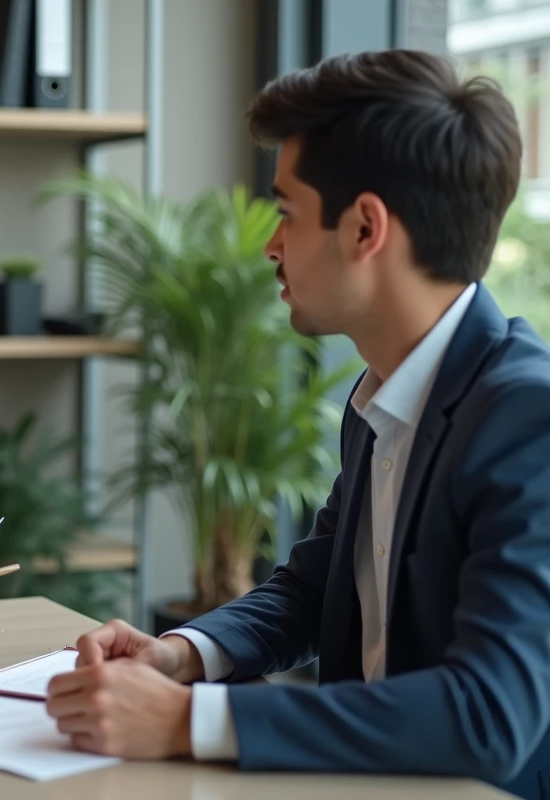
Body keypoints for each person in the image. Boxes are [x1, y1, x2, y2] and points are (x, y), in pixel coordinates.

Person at [46, 49, 550, 799]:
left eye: (285, 212)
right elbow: (314, 592)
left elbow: (488, 716)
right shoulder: (382, 397)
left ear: (365, 228)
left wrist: (192, 722)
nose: (269, 245)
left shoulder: (525, 416)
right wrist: (182, 655)